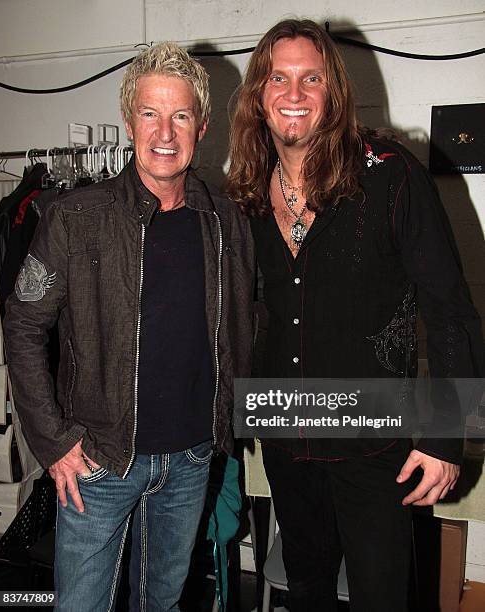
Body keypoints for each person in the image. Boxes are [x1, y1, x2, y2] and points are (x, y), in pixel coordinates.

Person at [227, 19, 484, 612]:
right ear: (259, 98)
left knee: (383, 597)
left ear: (333, 90)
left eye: (309, 78)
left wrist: (447, 438)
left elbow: (451, 312)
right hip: (285, 436)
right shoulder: (244, 191)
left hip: (374, 443)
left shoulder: (391, 175)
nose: (293, 93)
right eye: (278, 78)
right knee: (307, 589)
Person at [4, 42, 254, 612]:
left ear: (202, 124)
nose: (164, 132)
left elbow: (247, 323)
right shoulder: (72, 218)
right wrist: (55, 442)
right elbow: (22, 324)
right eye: (150, 113)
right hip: (97, 458)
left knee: (161, 603)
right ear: (128, 120)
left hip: (191, 459)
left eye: (180, 115)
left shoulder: (228, 222)